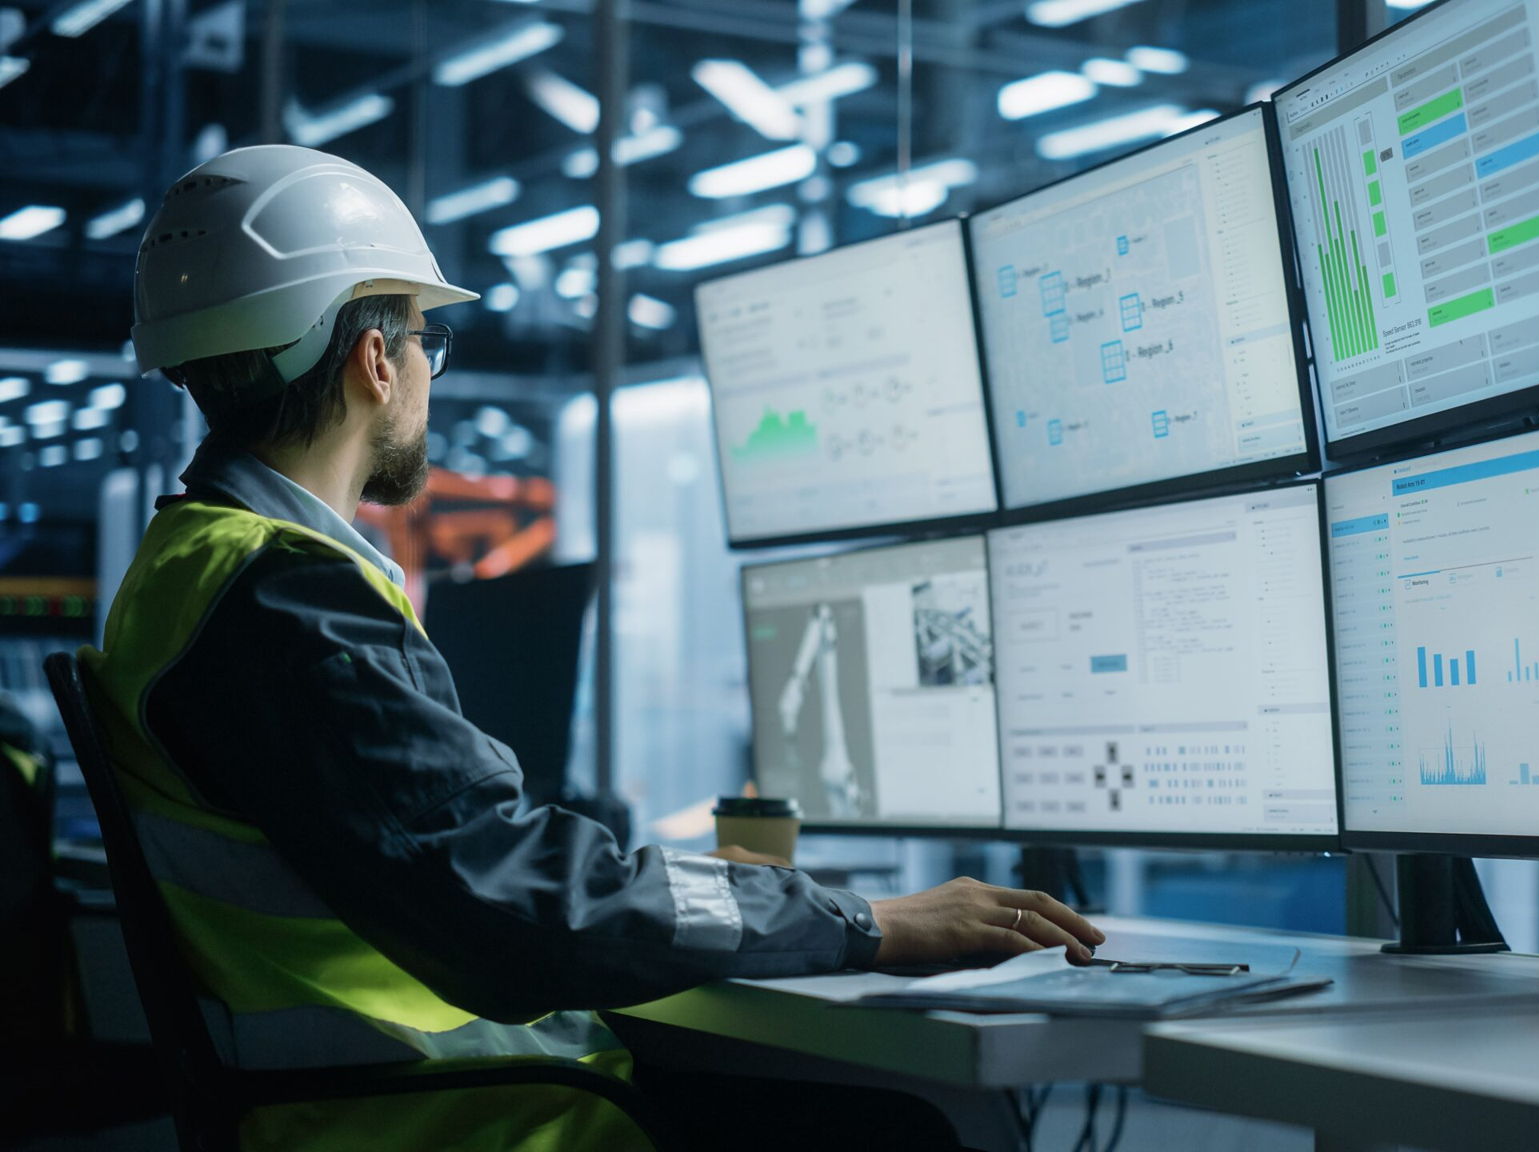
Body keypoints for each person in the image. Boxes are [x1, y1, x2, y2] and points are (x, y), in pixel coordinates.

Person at [91, 144, 1102, 1150]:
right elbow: (517, 901)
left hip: (363, 1107)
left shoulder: (188, 565)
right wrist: (862, 923)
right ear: (373, 361)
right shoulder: (288, 596)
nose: (425, 376)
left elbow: (468, 865)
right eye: (425, 341)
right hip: (465, 1121)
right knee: (911, 1135)